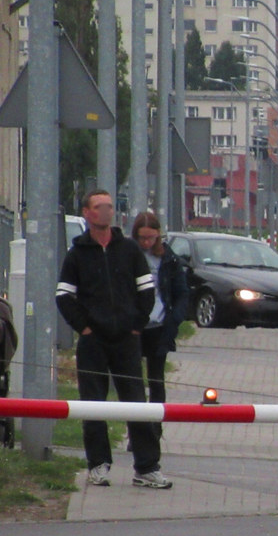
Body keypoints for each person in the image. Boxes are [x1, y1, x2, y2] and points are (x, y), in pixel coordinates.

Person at [56, 191, 172, 490]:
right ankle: (98, 465)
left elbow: (147, 290)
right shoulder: (77, 254)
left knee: (136, 403)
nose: (107, 211)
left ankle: (146, 467)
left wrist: (136, 325)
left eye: (109, 206)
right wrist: (83, 328)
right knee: (93, 405)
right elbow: (64, 296)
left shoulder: (129, 250)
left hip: (126, 341)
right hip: (93, 342)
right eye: (100, 207)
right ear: (87, 213)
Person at [131, 212, 189, 436]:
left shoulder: (168, 258)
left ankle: (155, 429)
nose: (147, 242)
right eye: (142, 238)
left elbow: (181, 292)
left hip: (159, 325)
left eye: (151, 238)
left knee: (156, 379)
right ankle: (136, 431)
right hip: (134, 326)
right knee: (133, 382)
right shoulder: (131, 255)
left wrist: (174, 320)